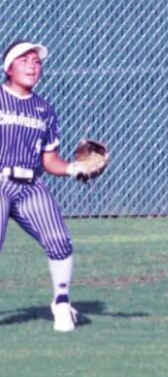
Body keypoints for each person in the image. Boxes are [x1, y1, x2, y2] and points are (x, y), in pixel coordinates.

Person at [0, 40, 92, 332]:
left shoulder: (44, 110)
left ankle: (62, 303)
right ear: (8, 67)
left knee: (59, 241)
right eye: (24, 60)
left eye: (37, 62)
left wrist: (73, 168)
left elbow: (49, 159)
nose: (32, 66)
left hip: (30, 184)